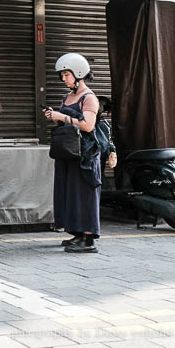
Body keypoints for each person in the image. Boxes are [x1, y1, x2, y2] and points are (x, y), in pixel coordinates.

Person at [44, 53, 103, 254]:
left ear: (79, 74)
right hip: (68, 152)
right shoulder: (68, 96)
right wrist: (55, 117)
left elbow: (87, 125)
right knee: (70, 193)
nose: (64, 79)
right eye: (62, 75)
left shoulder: (89, 98)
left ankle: (88, 239)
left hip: (84, 155)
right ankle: (77, 233)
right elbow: (67, 123)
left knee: (84, 194)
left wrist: (63, 116)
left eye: (67, 74)